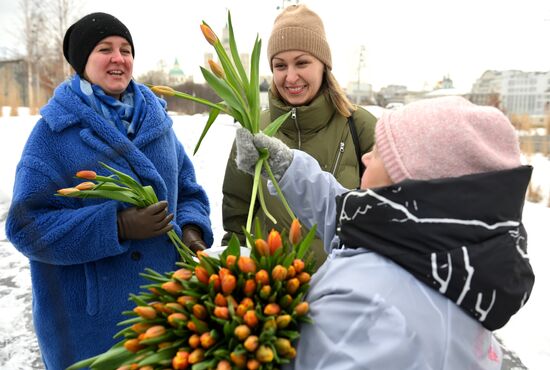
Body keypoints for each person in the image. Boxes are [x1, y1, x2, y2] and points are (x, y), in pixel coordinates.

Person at [234, 96, 535, 369]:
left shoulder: (372, 312)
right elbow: (347, 216)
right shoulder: (434, 247)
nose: (366, 157)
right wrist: (285, 167)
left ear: (407, 183)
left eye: (379, 152)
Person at [5, 12, 213, 369]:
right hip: (92, 326)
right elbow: (26, 226)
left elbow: (189, 190)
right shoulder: (53, 134)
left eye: (126, 49)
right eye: (105, 49)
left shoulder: (157, 124)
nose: (119, 58)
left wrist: (192, 231)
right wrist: (115, 226)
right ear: (83, 62)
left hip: (167, 310)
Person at [221, 4, 377, 269]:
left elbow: (388, 215)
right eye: (280, 65)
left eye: (302, 62)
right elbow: (237, 210)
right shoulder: (255, 127)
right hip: (268, 288)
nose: (290, 77)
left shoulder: (359, 125)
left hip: (340, 291)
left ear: (324, 65)